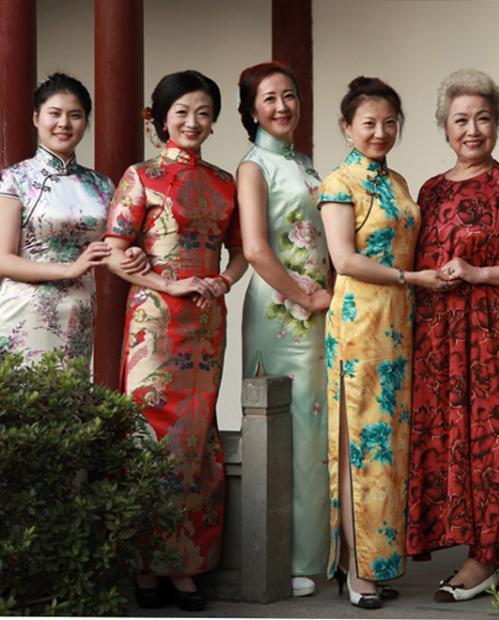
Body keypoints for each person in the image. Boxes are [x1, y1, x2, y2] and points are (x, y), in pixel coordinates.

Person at [103, 70, 247, 612]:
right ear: (160, 118)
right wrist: (170, 283)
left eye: (203, 112)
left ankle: (187, 566)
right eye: (182, 111)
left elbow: (239, 253)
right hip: (156, 322)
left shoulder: (223, 181)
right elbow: (116, 251)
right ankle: (144, 565)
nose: (193, 121)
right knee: (147, 435)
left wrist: (222, 282)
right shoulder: (139, 176)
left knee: (196, 439)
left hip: (207, 321)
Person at [406, 68, 499, 602]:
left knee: (492, 444)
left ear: (498, 124)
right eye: (461, 120)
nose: (473, 129)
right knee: (447, 442)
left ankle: (489, 557)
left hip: (490, 337)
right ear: (444, 127)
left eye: (483, 118)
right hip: (437, 338)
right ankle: (469, 547)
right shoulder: (430, 191)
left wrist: (479, 273)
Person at [318, 76, 444, 610]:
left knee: (387, 446)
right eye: (368, 123)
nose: (380, 131)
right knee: (357, 445)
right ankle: (357, 569)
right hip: (358, 321)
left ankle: (374, 561)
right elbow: (344, 259)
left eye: (389, 122)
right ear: (347, 127)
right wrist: (412, 280)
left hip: (397, 322)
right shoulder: (338, 181)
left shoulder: (396, 181)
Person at [236, 62, 331, 598]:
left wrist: (327, 295)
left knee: (315, 424)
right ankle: (285, 555)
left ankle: (318, 553)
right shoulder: (254, 167)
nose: (281, 107)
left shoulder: (303, 160)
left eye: (289, 96)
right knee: (286, 426)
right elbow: (254, 249)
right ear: (251, 110)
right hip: (280, 310)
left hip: (317, 307)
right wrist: (305, 296)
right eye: (269, 99)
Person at [0, 73, 147, 363]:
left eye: (75, 115)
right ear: (36, 117)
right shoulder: (15, 179)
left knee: (70, 401)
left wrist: (133, 253)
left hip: (79, 313)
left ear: (86, 122)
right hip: (26, 313)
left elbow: (111, 247)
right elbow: (3, 259)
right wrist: (69, 269)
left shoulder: (101, 184)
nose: (64, 124)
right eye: (54, 114)